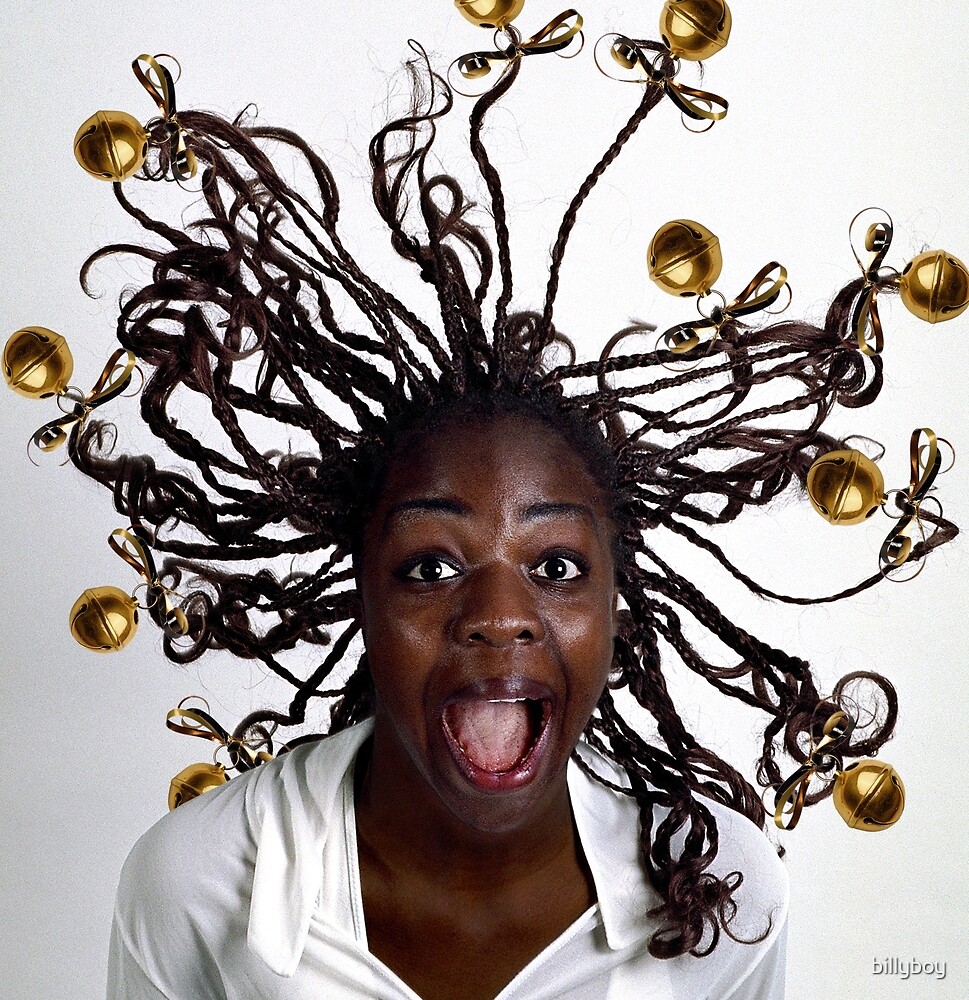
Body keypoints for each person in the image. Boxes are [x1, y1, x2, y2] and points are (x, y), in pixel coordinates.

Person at [64, 25, 939, 1000]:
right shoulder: (193, 885)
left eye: (556, 567)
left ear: (617, 607)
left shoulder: (720, 895)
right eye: (430, 566)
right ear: (359, 595)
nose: (497, 615)